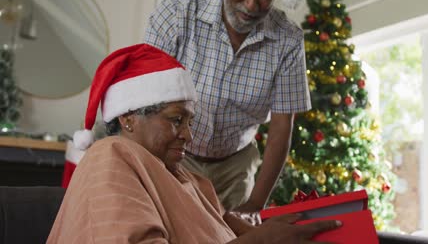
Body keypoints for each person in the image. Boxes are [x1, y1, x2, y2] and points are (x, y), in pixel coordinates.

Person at [47, 44, 341, 243]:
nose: (189, 135)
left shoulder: (188, 179)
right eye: (176, 120)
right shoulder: (109, 157)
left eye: (190, 122)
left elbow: (233, 232)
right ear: (128, 119)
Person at [144, 0, 310, 212]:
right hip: (172, 149)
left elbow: (281, 129)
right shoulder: (176, 10)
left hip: (235, 165)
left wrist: (254, 204)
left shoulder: (288, 40)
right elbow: (146, 99)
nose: (252, 5)